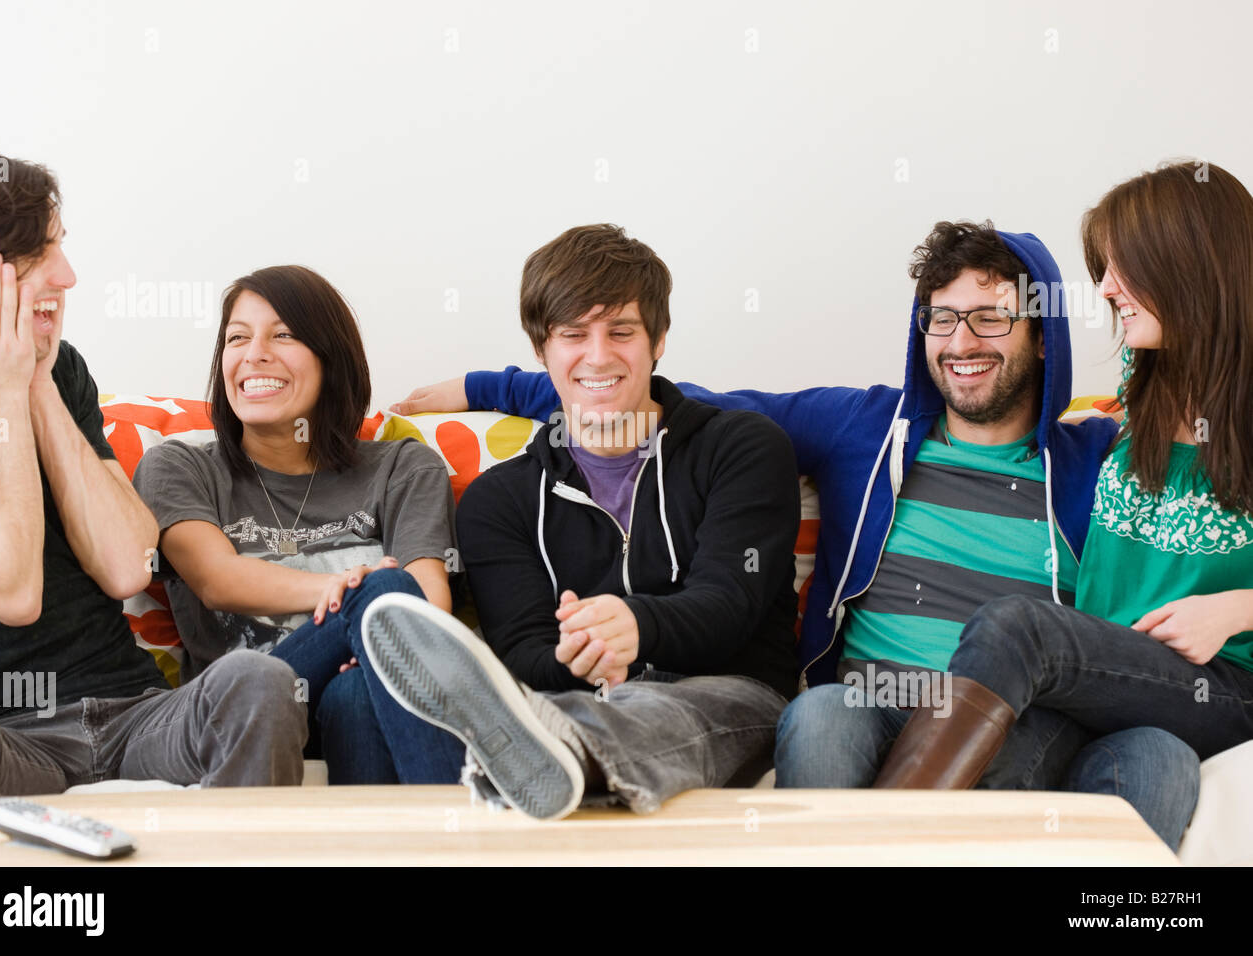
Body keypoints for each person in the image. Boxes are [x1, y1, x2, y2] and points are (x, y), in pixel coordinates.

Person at [393, 219, 1200, 849]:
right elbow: (652, 389)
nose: (960, 344)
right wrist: (491, 383)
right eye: (942, 320)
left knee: (1158, 752)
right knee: (819, 716)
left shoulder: (1111, 459)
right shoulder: (863, 426)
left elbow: (1219, 467)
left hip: (1024, 715)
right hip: (875, 703)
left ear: (1040, 333)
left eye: (990, 320)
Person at [358, 223, 800, 819]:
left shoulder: (741, 448)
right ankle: (540, 750)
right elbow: (524, 655)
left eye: (621, 332)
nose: (598, 356)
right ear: (541, 351)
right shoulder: (499, 500)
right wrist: (580, 654)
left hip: (733, 696)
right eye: (573, 335)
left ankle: (538, 750)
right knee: (563, 707)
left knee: (659, 711)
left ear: (658, 340)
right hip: (568, 697)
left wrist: (636, 626)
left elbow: (730, 603)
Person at [874, 161, 1253, 800]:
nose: (1104, 289)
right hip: (1110, 682)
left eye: (1120, 268)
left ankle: (880, 834)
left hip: (1219, 685)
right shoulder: (1138, 404)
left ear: (1187, 263)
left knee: (1018, 626)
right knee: (1018, 761)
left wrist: (1237, 607)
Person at [0, 150, 306, 818]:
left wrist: (36, 383)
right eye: (41, 254)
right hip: (8, 739)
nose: (69, 275)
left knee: (259, 680)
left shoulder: (62, 371)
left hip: (135, 711)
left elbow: (127, 566)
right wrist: (0, 389)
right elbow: (12, 591)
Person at [132, 265, 465, 784]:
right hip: (248, 704)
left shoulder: (402, 466)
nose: (254, 353)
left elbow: (427, 601)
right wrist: (356, 597)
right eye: (237, 337)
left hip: (366, 688)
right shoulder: (179, 467)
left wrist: (372, 646)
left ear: (331, 359)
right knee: (383, 591)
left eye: (283, 335)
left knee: (358, 689)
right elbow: (217, 581)